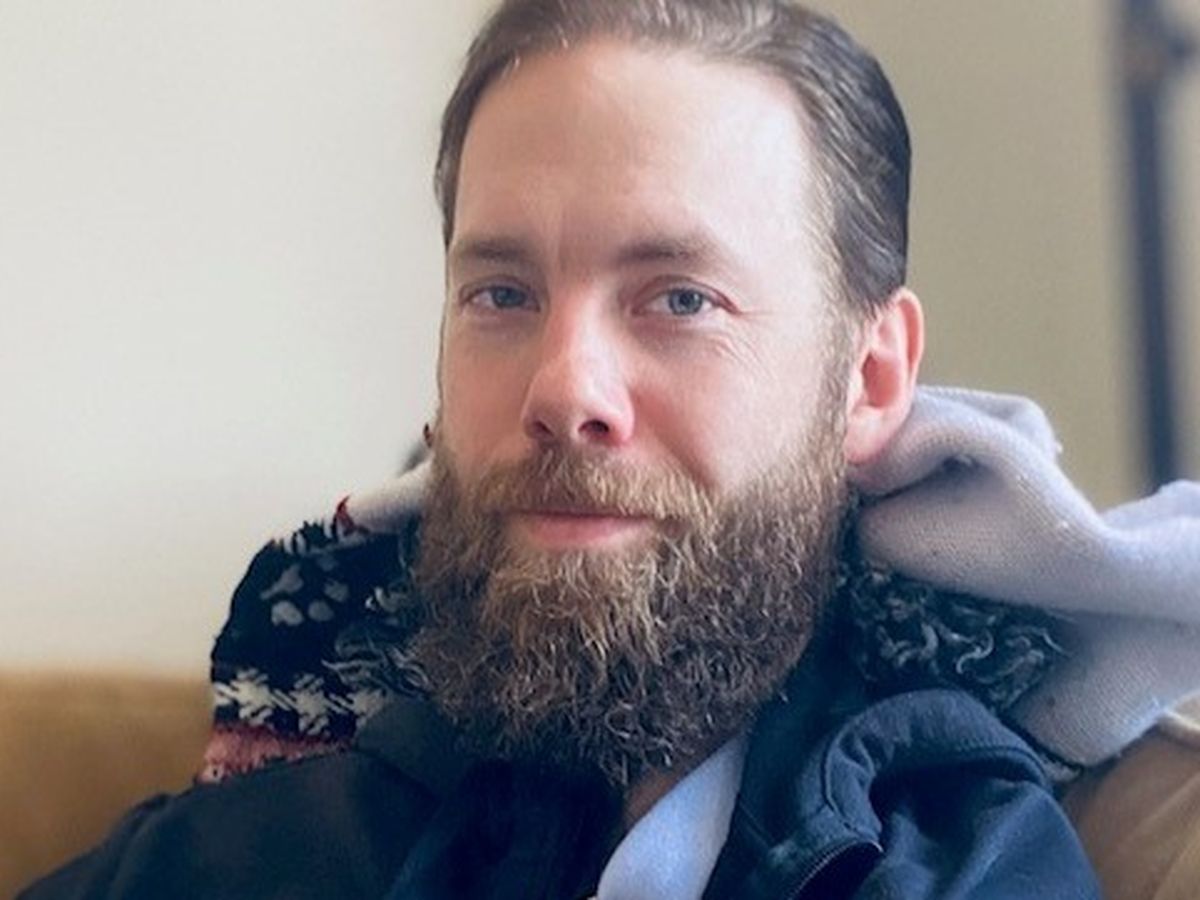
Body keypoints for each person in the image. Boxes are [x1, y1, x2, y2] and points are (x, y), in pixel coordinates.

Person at [26, 0, 1200, 897]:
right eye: (502, 293)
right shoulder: (273, 826)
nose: (563, 389)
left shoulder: (958, 862)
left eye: (681, 299)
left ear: (871, 377)